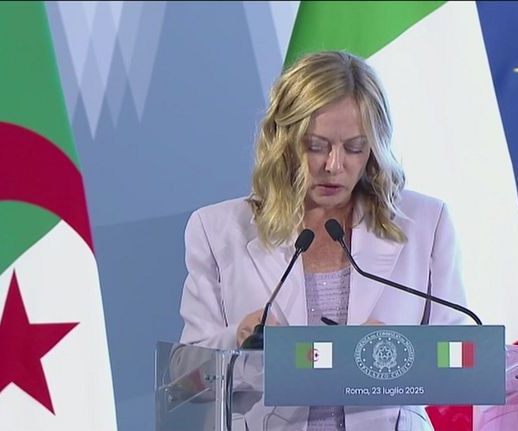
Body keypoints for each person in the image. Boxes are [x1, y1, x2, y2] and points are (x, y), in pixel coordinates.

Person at [178, 51, 469, 431]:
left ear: (374, 148)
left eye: (354, 148)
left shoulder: (425, 222)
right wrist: (240, 340)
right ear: (283, 140)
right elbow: (185, 380)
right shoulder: (218, 229)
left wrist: (398, 353)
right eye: (316, 146)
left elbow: (462, 362)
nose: (334, 165)